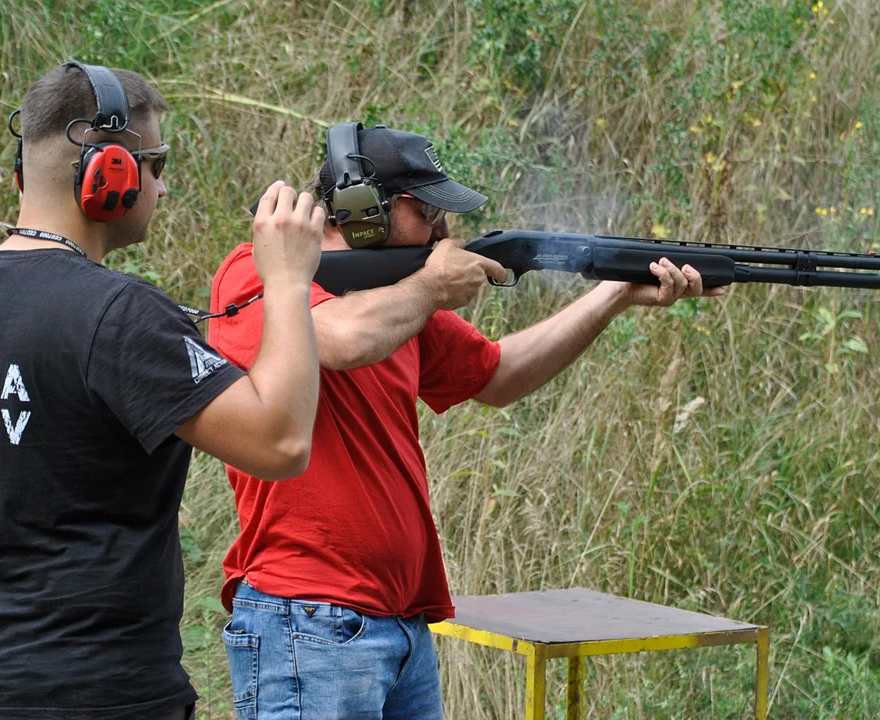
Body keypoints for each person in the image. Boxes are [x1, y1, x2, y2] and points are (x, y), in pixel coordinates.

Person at [207, 123, 726, 719]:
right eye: (427, 213)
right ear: (364, 208)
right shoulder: (260, 271)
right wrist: (430, 285)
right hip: (308, 620)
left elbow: (498, 376)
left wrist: (611, 294)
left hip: (400, 625)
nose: (444, 233)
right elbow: (344, 338)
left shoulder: (403, 294)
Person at [0, 62, 324, 720]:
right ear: (109, 176)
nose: (162, 184)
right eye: (154, 164)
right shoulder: (118, 314)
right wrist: (290, 281)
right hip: (98, 694)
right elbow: (282, 440)